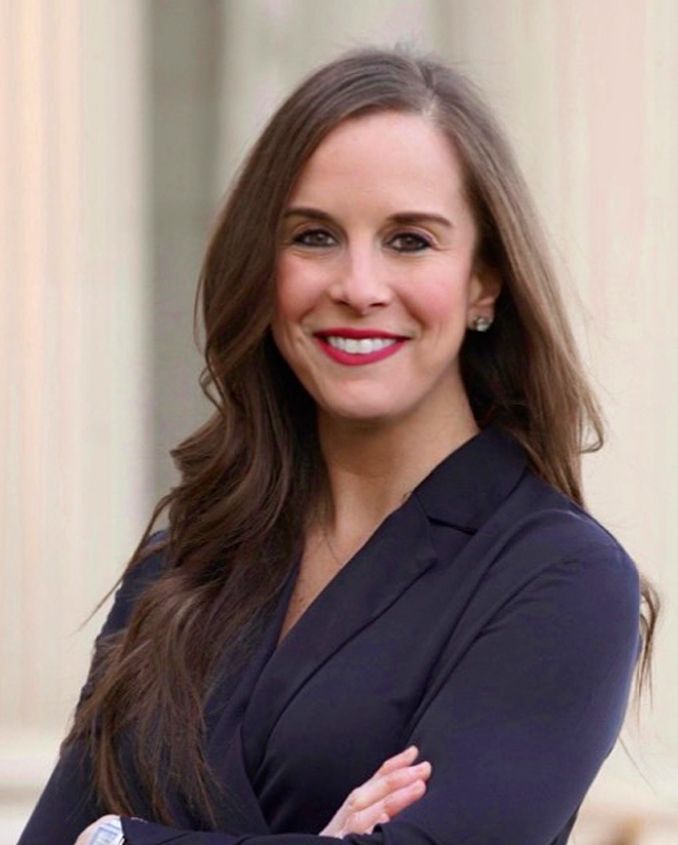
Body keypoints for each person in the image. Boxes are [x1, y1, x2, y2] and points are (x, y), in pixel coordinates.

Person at [19, 44, 659, 845]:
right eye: (314, 236)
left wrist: (122, 839)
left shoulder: (556, 579)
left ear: (483, 282)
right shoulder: (187, 554)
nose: (357, 286)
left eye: (410, 240)